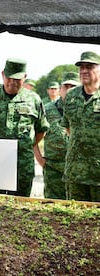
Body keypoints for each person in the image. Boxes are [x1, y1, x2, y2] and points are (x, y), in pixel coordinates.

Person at [0, 58, 49, 197]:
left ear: (25, 77)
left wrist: (27, 145)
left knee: (20, 209)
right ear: (2, 75)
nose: (12, 82)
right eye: (9, 78)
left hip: (22, 165)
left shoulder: (34, 99)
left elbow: (41, 129)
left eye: (17, 79)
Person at [61, 51, 100, 202]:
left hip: (98, 174)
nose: (84, 71)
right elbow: (68, 128)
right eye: (81, 67)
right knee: (75, 220)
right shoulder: (71, 96)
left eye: (89, 67)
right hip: (75, 173)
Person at [35, 72, 80, 200]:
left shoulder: (85, 109)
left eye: (74, 87)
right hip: (53, 169)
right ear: (60, 90)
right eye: (66, 86)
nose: (70, 90)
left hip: (79, 170)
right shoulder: (47, 109)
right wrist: (40, 160)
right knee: (52, 208)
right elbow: (34, 136)